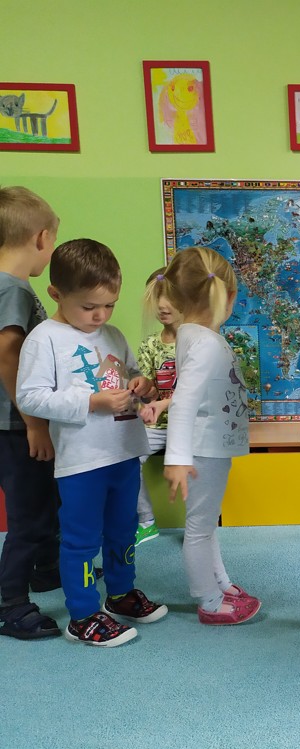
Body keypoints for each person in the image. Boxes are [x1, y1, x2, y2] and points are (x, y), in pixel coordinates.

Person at [16, 238, 168, 647]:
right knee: (81, 539)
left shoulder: (112, 334)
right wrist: (90, 402)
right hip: (82, 461)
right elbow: (30, 397)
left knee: (123, 530)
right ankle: (83, 615)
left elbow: (130, 374)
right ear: (56, 294)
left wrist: (143, 385)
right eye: (89, 307)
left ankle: (120, 594)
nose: (100, 315)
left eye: (109, 305)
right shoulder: (45, 339)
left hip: (124, 451)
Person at [149, 246, 260, 626]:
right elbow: (184, 402)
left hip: (209, 445)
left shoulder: (191, 335)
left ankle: (220, 584)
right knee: (199, 528)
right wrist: (177, 458)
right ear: (228, 296)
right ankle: (210, 601)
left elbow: (187, 396)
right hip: (204, 449)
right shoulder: (206, 344)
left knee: (206, 523)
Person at [0, 186, 62, 640]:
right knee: (30, 517)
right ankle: (11, 604)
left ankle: (47, 568)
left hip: (12, 422)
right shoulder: (14, 288)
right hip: (14, 424)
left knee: (45, 500)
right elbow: (8, 353)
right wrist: (35, 423)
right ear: (41, 238)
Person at [133, 267, 178, 546]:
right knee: (128, 461)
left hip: (192, 425)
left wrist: (165, 402)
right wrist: (144, 399)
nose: (162, 306)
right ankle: (146, 521)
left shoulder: (196, 342)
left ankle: (200, 527)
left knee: (200, 464)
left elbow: (201, 393)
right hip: (158, 426)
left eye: (169, 298)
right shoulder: (150, 345)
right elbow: (147, 391)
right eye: (156, 299)